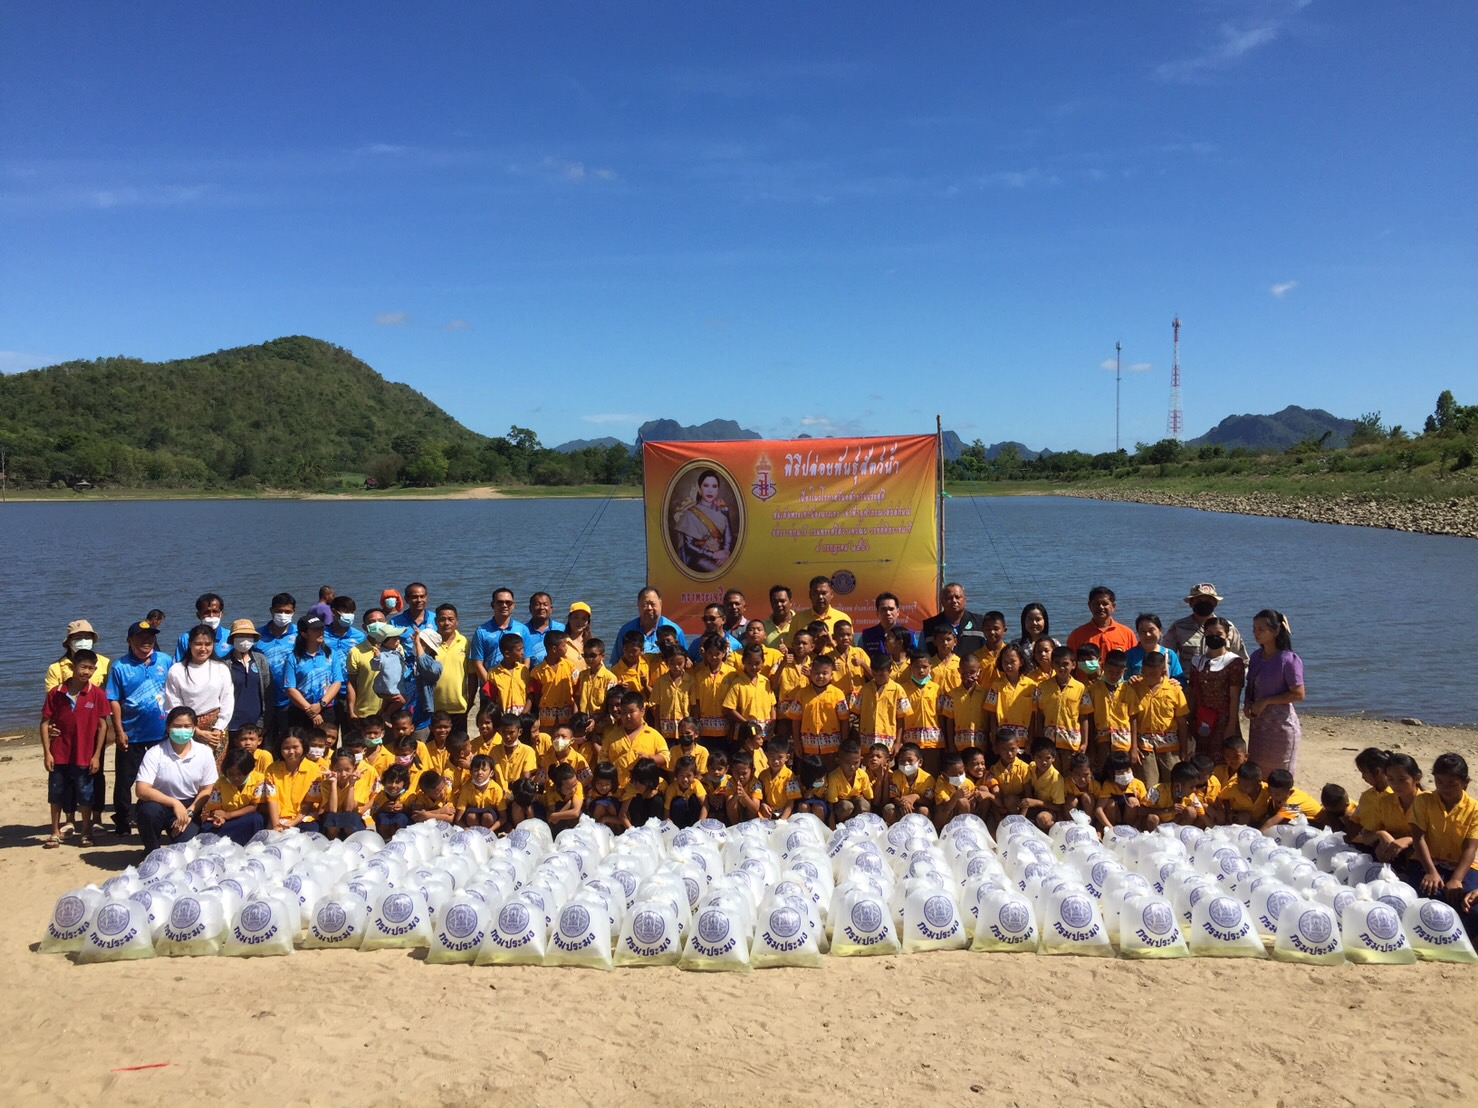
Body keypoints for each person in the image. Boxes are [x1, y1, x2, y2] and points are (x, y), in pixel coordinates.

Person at [105, 619, 174, 836]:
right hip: (131, 733)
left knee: (162, 777)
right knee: (125, 779)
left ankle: (161, 815)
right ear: (129, 640)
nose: (146, 642)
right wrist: (118, 730)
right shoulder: (120, 667)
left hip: (160, 732)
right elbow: (114, 699)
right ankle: (123, 820)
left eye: (150, 637)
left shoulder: (165, 660)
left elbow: (174, 691)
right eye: (141, 638)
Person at [41, 648, 110, 847]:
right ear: (73, 667)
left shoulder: (96, 694)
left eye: (91, 668)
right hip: (60, 753)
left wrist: (97, 755)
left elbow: (103, 724)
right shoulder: (56, 692)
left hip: (85, 754)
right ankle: (54, 831)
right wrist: (47, 753)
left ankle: (86, 832)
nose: (86, 672)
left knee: (85, 794)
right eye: (83, 667)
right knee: (56, 792)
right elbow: (45, 722)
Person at [133, 706, 219, 853]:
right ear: (167, 727)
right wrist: (174, 803)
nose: (182, 730)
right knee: (148, 812)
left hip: (190, 806)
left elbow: (207, 789)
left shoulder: (204, 752)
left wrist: (190, 812)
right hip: (159, 803)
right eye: (177, 726)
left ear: (194, 728)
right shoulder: (155, 753)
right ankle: (151, 851)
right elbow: (141, 790)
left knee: (185, 850)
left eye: (187, 726)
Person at [1244, 608, 1306, 775]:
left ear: (1276, 631)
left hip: (1281, 726)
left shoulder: (1289, 660)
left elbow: (1299, 694)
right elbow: (1250, 684)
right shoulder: (1256, 656)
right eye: (1254, 629)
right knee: (1257, 774)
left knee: (1279, 776)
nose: (1256, 633)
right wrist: (1247, 703)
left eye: (1261, 629)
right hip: (1258, 726)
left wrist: (1266, 701)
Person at [164, 624, 235, 765]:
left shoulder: (221, 668)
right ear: (190, 644)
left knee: (215, 773)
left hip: (216, 730)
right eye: (198, 644)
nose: (203, 649)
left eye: (208, 644)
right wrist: (195, 731)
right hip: (185, 728)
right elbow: (172, 705)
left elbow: (227, 701)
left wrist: (218, 729)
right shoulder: (176, 671)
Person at [1186, 616, 1244, 762]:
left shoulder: (1233, 662)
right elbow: (1192, 692)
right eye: (1210, 633)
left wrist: (1231, 725)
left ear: (1227, 635)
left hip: (1223, 720)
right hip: (1202, 718)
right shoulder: (1197, 661)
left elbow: (1234, 697)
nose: (1214, 637)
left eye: (1218, 634)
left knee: (1226, 759)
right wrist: (1189, 720)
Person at [1163, 583, 1249, 670]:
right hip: (1189, 680)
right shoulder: (1178, 627)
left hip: (1221, 680)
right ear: (1190, 603)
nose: (1203, 604)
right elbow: (1166, 657)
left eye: (1208, 601)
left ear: (1215, 603)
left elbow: (1242, 661)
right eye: (1199, 601)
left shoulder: (1229, 627)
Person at [283, 615, 343, 738]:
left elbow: (337, 682)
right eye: (315, 630)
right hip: (300, 710)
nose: (321, 632)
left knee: (326, 746)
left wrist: (321, 705)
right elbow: (290, 688)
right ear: (304, 634)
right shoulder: (293, 658)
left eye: (321, 629)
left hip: (327, 709)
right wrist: (311, 711)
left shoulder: (331, 654)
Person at [201, 747, 275, 845]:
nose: (235, 778)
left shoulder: (259, 779)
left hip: (246, 820)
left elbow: (254, 807)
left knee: (256, 819)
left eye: (240, 774)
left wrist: (228, 815)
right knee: (206, 828)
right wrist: (219, 818)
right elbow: (214, 809)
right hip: (228, 823)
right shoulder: (220, 783)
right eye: (231, 774)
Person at [256, 592, 298, 746]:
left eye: (287, 612)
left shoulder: (300, 634)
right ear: (271, 611)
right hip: (265, 699)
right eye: (279, 611)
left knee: (291, 740)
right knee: (267, 741)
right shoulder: (257, 635)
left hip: (292, 699)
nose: (283, 615)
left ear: (293, 612)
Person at [223, 619, 275, 743]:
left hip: (256, 724)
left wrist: (263, 722)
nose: (244, 640)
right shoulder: (223, 663)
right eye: (240, 636)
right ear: (233, 639)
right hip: (231, 725)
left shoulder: (260, 660)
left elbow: (268, 692)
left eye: (248, 636)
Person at [469, 587, 534, 685]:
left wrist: (519, 681)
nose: (504, 605)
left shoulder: (522, 629)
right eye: (500, 602)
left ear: (513, 605)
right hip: (491, 686)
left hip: (516, 686)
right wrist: (491, 688)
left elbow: (526, 660)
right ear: (492, 605)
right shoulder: (481, 631)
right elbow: (478, 664)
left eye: (508, 602)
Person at [673, 468, 733, 572]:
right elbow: (689, 546)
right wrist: (713, 555)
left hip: (721, 556)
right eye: (706, 486)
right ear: (700, 489)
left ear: (718, 490)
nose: (710, 490)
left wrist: (726, 553)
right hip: (699, 558)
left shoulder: (722, 510)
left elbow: (728, 536)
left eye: (714, 486)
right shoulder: (690, 514)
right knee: (720, 572)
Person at [1065, 586, 1137, 672]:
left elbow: (1135, 664)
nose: (1101, 607)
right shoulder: (1076, 635)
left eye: (1105, 604)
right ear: (1089, 606)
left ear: (1113, 606)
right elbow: (1069, 667)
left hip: (1119, 684)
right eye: (1096, 604)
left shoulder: (1127, 633)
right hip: (1085, 685)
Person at [266, 730, 325, 831]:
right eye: (286, 748)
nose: (291, 752)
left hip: (304, 818)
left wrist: (293, 823)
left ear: (304, 747)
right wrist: (276, 824)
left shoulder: (314, 769)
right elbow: (272, 799)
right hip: (277, 818)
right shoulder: (272, 769)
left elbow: (308, 803)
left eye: (295, 747)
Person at [920, 582, 986, 658]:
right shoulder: (930, 626)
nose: (954, 601)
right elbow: (921, 657)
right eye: (949, 598)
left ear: (965, 600)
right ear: (942, 602)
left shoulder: (980, 623)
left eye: (958, 597)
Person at [616, 586, 688, 654]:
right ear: (638, 605)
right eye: (645, 604)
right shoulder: (626, 631)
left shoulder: (675, 631)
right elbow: (616, 662)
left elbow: (685, 659)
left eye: (653, 604)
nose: (649, 608)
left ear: (660, 604)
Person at [44, 619, 112, 691]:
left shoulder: (105, 662)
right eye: (78, 638)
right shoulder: (55, 668)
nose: (83, 641)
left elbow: (112, 691)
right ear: (69, 642)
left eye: (87, 637)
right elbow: (51, 696)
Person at [1124, 614, 1186, 687]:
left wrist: (1176, 682)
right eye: (1143, 631)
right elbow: (1121, 680)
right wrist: (1129, 681)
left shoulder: (1169, 654)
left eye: (1151, 630)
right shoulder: (1129, 655)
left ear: (1160, 631)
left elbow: (1181, 680)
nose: (1147, 634)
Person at [172, 593, 230, 661]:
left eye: (215, 611)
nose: (211, 615)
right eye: (206, 612)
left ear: (221, 614)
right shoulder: (186, 638)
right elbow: (178, 664)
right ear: (198, 615)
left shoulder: (230, 636)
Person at [859, 592, 917, 657]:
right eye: (883, 609)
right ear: (877, 613)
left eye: (891, 609)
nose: (888, 613)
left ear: (898, 612)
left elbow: (916, 660)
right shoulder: (866, 635)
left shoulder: (909, 635)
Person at [525, 592, 564, 664]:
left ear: (551, 609)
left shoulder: (561, 629)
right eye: (537, 604)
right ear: (530, 608)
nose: (541, 607)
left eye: (545, 604)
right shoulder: (524, 631)